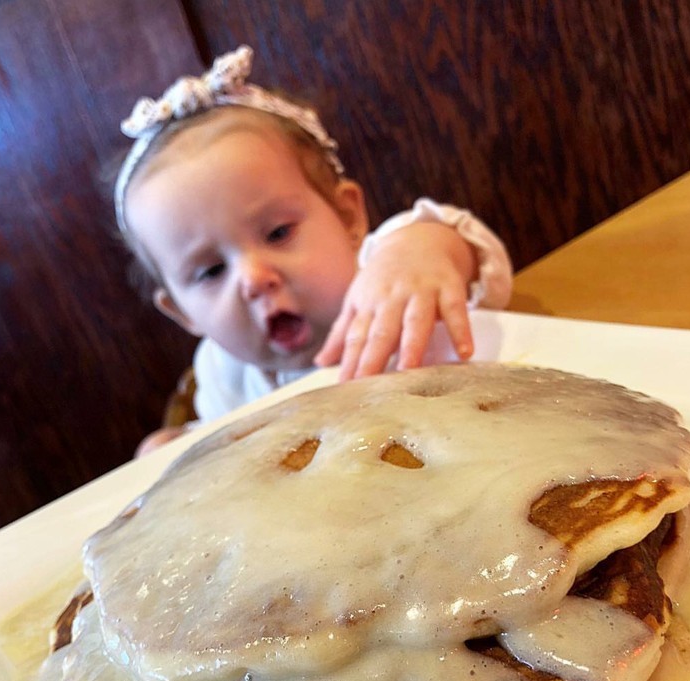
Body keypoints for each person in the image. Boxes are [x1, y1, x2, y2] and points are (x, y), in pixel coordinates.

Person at [114, 46, 513, 455]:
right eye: (212, 271)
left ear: (348, 216)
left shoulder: (387, 279)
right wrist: (183, 445)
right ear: (181, 312)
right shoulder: (224, 374)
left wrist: (424, 252)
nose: (253, 278)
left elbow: (467, 253)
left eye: (278, 233)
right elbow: (234, 454)